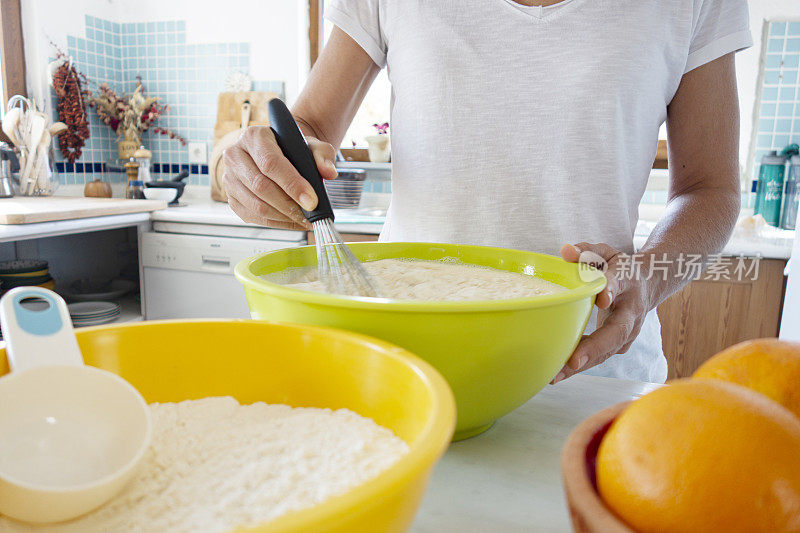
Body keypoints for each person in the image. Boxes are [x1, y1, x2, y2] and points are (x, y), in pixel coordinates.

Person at [223, 0, 752, 384]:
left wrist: (646, 278)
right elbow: (310, 127)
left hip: (588, 365)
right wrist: (259, 167)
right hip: (406, 361)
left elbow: (711, 188)